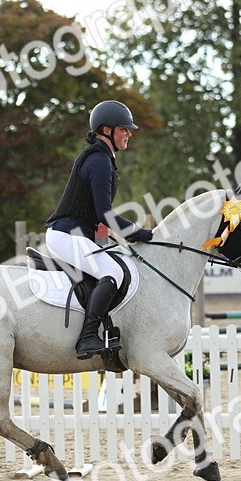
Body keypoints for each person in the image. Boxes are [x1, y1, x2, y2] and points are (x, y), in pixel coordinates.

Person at [46, 100, 153, 358]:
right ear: (106, 130)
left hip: (72, 233)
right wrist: (136, 232)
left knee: (109, 268)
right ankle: (88, 337)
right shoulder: (99, 161)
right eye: (124, 129)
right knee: (112, 271)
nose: (129, 133)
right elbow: (103, 213)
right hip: (66, 234)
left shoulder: (101, 158)